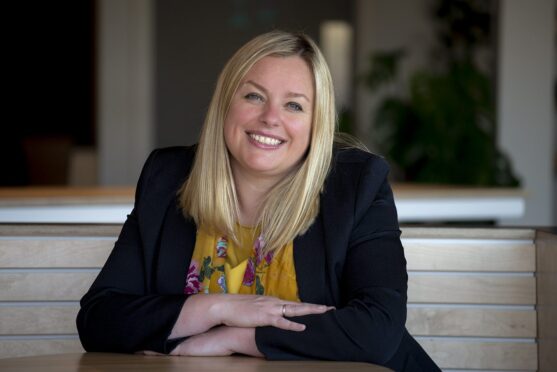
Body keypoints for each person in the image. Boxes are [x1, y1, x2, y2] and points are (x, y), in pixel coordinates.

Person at [77, 30, 440, 371]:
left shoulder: (357, 184)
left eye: (294, 106)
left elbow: (377, 330)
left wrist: (236, 336)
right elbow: (99, 318)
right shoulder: (167, 177)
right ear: (225, 103)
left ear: (318, 123)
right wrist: (220, 307)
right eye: (254, 96)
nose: (270, 119)